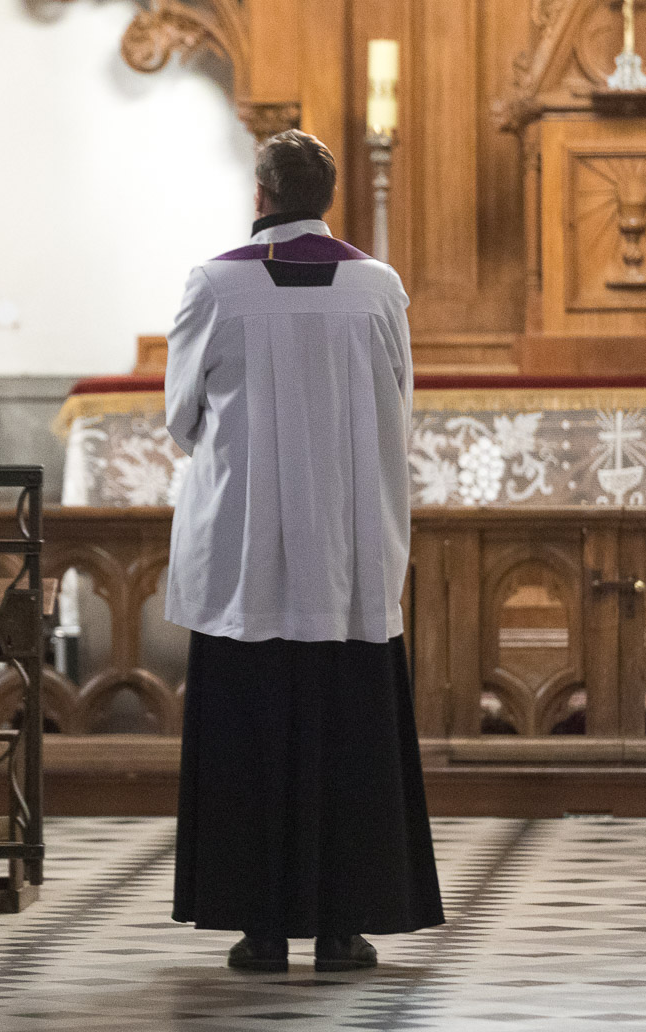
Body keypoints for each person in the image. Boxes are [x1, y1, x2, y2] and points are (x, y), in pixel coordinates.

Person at [165, 129, 444, 972]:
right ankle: (342, 928)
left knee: (248, 737)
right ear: (328, 197)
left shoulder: (214, 284)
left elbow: (182, 418)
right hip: (346, 558)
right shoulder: (378, 287)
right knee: (347, 737)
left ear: (260, 195)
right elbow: (400, 407)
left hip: (247, 557)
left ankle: (259, 929)